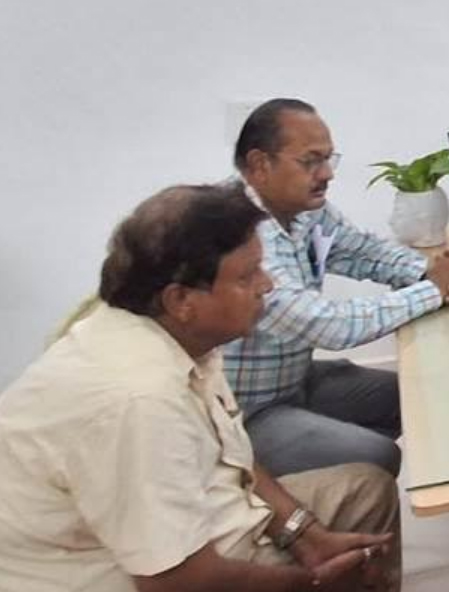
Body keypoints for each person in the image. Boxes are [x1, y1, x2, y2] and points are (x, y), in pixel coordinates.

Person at [0, 183, 401, 592]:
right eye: (247, 275)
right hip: (144, 577)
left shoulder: (176, 336)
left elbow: (233, 457)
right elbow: (174, 581)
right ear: (181, 300)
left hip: (209, 522)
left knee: (366, 490)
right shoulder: (138, 400)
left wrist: (306, 535)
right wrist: (312, 583)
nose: (266, 285)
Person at [224, 98, 449, 478]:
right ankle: (302, 494)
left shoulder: (304, 210)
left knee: (420, 400)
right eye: (310, 161)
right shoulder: (237, 232)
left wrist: (433, 272)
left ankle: (320, 486)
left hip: (296, 380)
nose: (327, 174)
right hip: (247, 414)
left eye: (328, 159)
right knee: (373, 456)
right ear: (261, 164)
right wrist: (431, 291)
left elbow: (363, 251)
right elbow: (327, 325)